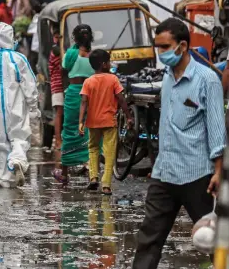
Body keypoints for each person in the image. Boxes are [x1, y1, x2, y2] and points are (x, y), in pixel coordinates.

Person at [132, 18, 225, 269]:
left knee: (213, 241)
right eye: (158, 47)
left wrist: (218, 172)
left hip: (198, 176)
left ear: (182, 46)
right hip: (164, 173)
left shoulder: (207, 80)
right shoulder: (167, 77)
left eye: (165, 47)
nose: (160, 53)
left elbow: (217, 130)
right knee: (148, 240)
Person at [0, 23, 38, 188]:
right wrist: (33, 106)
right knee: (19, 137)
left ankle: (5, 179)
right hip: (16, 105)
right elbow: (30, 85)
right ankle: (17, 160)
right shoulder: (19, 59)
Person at [79, 49, 132, 195]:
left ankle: (93, 177)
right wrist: (128, 116)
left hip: (92, 122)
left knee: (93, 148)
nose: (110, 64)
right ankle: (106, 185)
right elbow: (121, 99)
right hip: (109, 122)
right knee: (109, 153)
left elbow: (84, 102)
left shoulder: (88, 81)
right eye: (108, 61)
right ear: (104, 64)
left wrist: (80, 122)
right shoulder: (113, 79)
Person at [53, 24, 95, 184]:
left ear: (75, 38)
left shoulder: (71, 54)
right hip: (91, 94)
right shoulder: (94, 55)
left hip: (73, 94)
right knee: (90, 129)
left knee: (70, 129)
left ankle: (64, 173)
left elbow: (63, 70)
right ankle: (92, 171)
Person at [48, 24, 64, 149]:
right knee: (59, 112)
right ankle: (58, 140)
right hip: (58, 85)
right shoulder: (56, 50)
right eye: (56, 36)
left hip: (63, 85)